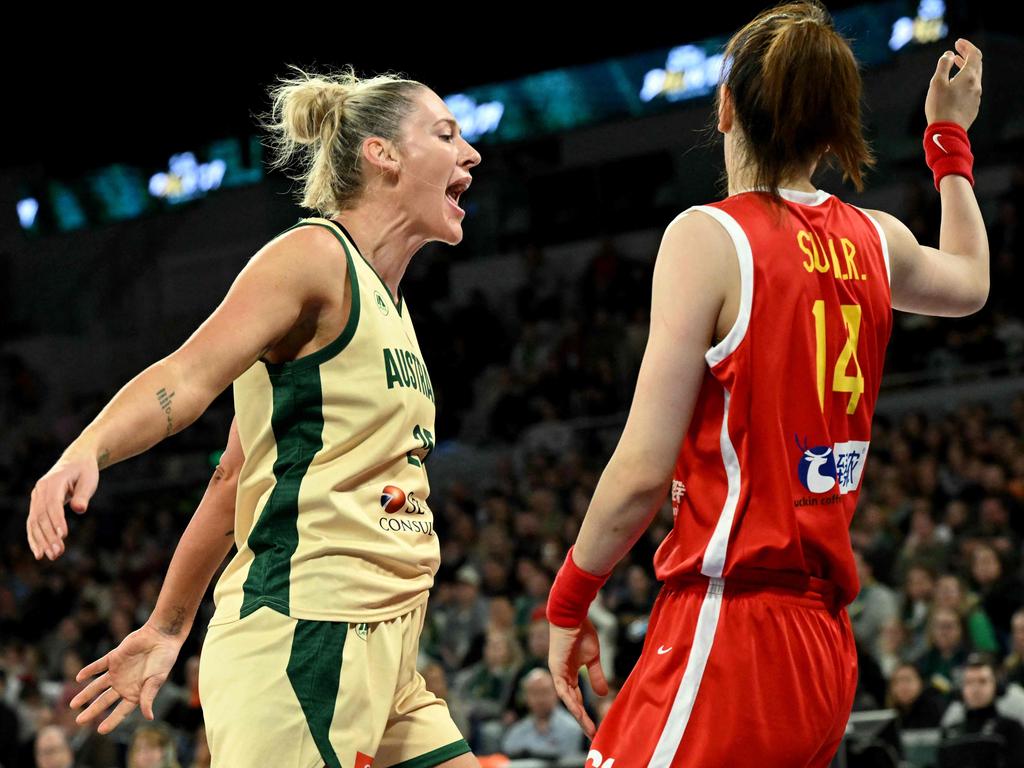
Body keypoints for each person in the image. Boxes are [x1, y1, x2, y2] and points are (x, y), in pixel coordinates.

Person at [544, 2, 987, 766]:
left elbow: (642, 471)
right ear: (831, 127)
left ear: (725, 106)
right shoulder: (877, 240)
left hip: (732, 630)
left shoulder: (708, 236)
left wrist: (569, 600)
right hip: (823, 649)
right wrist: (948, 144)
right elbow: (972, 281)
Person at [32, 65, 481, 767]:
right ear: (382, 154)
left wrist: (166, 626)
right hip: (304, 637)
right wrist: (87, 448)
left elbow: (237, 476)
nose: (471, 153)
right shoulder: (312, 257)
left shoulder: (393, 305)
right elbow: (185, 374)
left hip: (389, 650)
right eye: (446, 134)